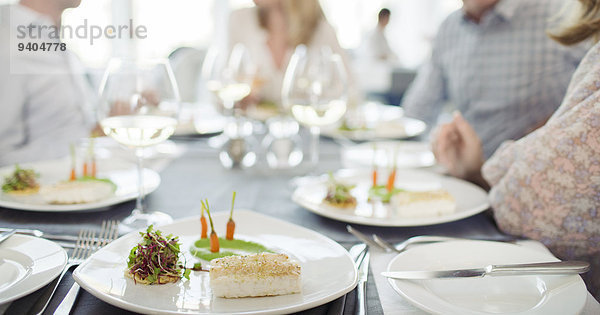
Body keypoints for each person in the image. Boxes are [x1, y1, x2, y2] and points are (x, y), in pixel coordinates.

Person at [433, 0, 600, 298]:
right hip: (474, 187)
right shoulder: (448, 27)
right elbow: (418, 108)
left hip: (518, 216)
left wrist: (548, 136)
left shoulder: (557, 13)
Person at [401, 0, 588, 158]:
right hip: (463, 177)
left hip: (536, 175)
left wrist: (559, 125)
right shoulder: (449, 28)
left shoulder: (560, 13)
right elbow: (417, 112)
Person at [0, 0, 94, 166]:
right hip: (45, 187)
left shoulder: (49, 33)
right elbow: (3, 156)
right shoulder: (6, 40)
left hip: (84, 179)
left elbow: (66, 125)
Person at [227, 0, 354, 107]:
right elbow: (222, 86)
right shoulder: (239, 20)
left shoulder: (321, 31)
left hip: (307, 130)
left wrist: (317, 99)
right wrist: (236, 101)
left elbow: (352, 94)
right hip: (253, 130)